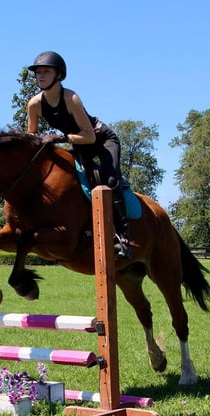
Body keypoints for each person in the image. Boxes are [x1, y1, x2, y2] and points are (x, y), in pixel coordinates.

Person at [25, 50, 132, 259]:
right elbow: (32, 135)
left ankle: (123, 236)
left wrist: (60, 138)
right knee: (78, 183)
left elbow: (89, 136)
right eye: (38, 72)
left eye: (46, 71)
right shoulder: (34, 104)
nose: (40, 76)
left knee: (109, 180)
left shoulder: (70, 98)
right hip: (80, 145)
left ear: (59, 75)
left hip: (101, 140)